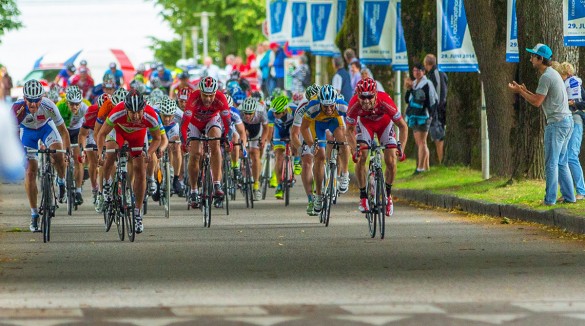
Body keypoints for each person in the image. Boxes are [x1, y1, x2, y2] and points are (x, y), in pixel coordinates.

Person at [508, 43, 575, 205]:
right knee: (561, 161)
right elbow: (541, 97)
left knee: (551, 163)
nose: (530, 58)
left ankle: (550, 199)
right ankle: (569, 196)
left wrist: (521, 92)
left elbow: (537, 102)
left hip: (557, 124)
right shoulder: (552, 74)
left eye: (533, 56)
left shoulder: (546, 76)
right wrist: (524, 90)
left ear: (540, 59)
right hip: (567, 121)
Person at [97, 90, 162, 233]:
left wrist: (149, 153)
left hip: (138, 136)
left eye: (139, 112)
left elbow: (158, 138)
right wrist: (100, 152)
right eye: (132, 112)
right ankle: (107, 185)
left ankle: (138, 214)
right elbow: (102, 134)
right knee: (110, 154)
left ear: (143, 108)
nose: (136, 116)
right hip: (119, 132)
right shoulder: (117, 112)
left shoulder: (150, 115)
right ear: (126, 109)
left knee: (140, 170)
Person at [13, 79, 70, 232]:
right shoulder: (17, 108)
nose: (33, 104)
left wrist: (67, 151)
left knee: (57, 154)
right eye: (30, 101)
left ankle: (61, 180)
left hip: (46, 128)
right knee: (30, 171)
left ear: (41, 98)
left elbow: (63, 131)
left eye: (36, 100)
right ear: (24, 99)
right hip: (27, 134)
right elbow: (13, 135)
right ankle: (34, 215)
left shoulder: (49, 105)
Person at [346, 78, 408, 216]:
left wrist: (401, 148)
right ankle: (363, 197)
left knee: (391, 160)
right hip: (365, 125)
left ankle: (388, 196)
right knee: (362, 156)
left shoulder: (385, 100)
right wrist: (353, 149)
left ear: (375, 94)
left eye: (370, 97)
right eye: (362, 97)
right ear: (357, 95)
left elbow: (403, 126)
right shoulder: (354, 104)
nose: (366, 101)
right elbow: (349, 130)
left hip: (384, 124)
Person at [180, 77, 232, 208]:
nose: (208, 99)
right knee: (195, 154)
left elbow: (227, 122)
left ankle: (216, 184)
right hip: (195, 123)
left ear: (216, 93)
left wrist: (227, 139)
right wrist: (184, 142)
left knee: (215, 142)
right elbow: (184, 123)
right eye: (205, 95)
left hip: (212, 121)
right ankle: (193, 190)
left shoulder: (221, 99)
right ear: (200, 91)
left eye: (211, 95)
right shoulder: (193, 97)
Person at [300, 85, 350, 214]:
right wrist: (312, 144)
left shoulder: (342, 106)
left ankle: (344, 174)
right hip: (317, 125)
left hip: (334, 121)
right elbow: (304, 128)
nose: (328, 109)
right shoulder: (313, 107)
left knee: (343, 141)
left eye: (331, 106)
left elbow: (352, 124)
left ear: (335, 102)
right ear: (320, 102)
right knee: (319, 157)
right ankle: (318, 195)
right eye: (325, 106)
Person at [553, 62, 585, 201]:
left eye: (563, 75)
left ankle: (581, 191)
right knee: (563, 157)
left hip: (576, 119)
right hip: (566, 120)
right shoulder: (562, 85)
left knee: (572, 155)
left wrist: (574, 104)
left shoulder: (576, 86)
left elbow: (583, 102)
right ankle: (567, 192)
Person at [56, 86, 89, 205]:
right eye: (72, 104)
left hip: (77, 132)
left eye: (77, 104)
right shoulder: (60, 106)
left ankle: (78, 190)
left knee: (78, 159)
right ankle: (62, 180)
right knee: (60, 156)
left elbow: (89, 126)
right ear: (67, 102)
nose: (74, 107)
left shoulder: (85, 107)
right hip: (62, 130)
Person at [291, 84, 321, 215]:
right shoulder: (302, 108)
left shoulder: (326, 102)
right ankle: (310, 198)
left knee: (323, 155)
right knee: (307, 162)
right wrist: (300, 148)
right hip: (307, 128)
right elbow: (295, 133)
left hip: (321, 125)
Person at [404, 63, 438, 175]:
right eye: (414, 71)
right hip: (414, 115)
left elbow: (432, 100)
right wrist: (409, 89)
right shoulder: (413, 84)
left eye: (418, 70)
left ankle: (420, 168)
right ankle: (426, 167)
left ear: (423, 71)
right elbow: (407, 100)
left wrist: (431, 115)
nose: (416, 73)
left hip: (424, 115)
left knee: (422, 142)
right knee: (420, 143)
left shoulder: (427, 84)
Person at [266, 95, 298, 200]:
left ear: (284, 111)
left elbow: (299, 129)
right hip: (279, 131)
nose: (275, 115)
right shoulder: (271, 114)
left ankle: (297, 161)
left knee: (294, 139)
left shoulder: (294, 110)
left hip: (292, 128)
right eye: (274, 112)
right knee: (279, 157)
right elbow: (270, 130)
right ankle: (279, 185)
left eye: (278, 113)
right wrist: (269, 141)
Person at [240, 97, 270, 200]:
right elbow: (238, 128)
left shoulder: (261, 111)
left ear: (254, 111)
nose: (247, 115)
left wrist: (263, 139)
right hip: (243, 128)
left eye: (250, 113)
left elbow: (266, 128)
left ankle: (256, 185)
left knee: (255, 154)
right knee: (240, 150)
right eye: (246, 113)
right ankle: (242, 169)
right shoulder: (240, 111)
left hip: (257, 129)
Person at [424, 54, 448, 164]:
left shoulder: (436, 73)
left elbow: (440, 92)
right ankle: (439, 160)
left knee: (439, 137)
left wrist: (437, 107)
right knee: (436, 137)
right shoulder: (431, 74)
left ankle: (441, 161)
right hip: (435, 110)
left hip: (438, 110)